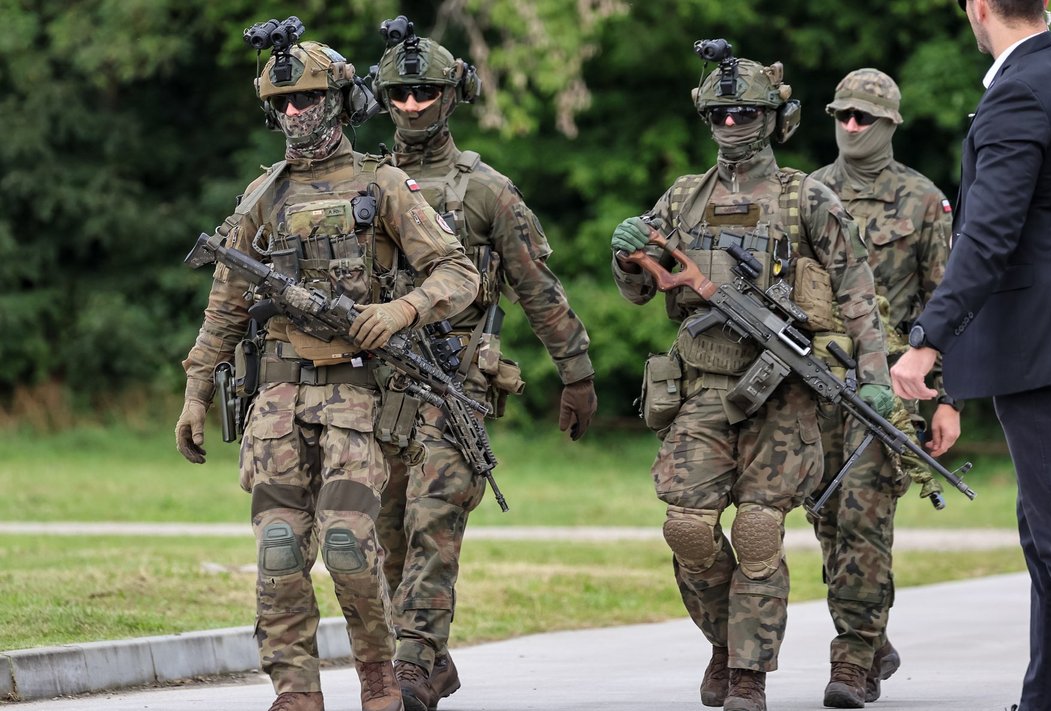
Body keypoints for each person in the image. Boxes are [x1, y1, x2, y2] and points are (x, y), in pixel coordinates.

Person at [174, 34, 480, 711]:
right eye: (282, 101)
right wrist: (197, 388)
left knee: (346, 542)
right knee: (280, 548)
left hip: (359, 394)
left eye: (308, 97)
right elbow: (224, 301)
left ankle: (377, 675)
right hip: (277, 395)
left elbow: (459, 273)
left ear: (339, 100)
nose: (295, 112)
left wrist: (401, 310)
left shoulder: (384, 185)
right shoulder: (264, 193)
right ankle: (295, 691)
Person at [610, 43, 892, 711]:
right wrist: (628, 258)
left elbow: (857, 291)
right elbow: (640, 292)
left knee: (760, 532)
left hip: (784, 394)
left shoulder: (807, 198)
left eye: (746, 111)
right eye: (721, 112)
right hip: (702, 388)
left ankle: (748, 677)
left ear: (772, 116)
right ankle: (724, 641)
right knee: (687, 528)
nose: (732, 123)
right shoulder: (684, 196)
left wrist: (874, 373)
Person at [890, 1, 1051, 709]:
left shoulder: (1017, 94)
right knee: (1045, 529)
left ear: (981, 9)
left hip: (1042, 339)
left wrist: (928, 339)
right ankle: (1045, 696)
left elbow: (987, 238)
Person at [369, 19, 597, 711]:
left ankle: (411, 667)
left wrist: (577, 370)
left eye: (426, 91)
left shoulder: (486, 191)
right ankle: (428, 659)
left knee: (433, 520)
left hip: (454, 379)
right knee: (382, 532)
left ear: (453, 95)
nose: (412, 105)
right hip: (376, 385)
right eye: (400, 93)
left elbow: (537, 286)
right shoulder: (364, 184)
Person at [808, 67, 959, 708]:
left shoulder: (923, 201)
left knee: (865, 517)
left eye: (862, 117)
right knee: (828, 517)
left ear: (889, 123)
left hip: (887, 384)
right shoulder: (809, 193)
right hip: (814, 381)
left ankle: (852, 662)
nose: (850, 126)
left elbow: (945, 302)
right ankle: (874, 635)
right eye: (842, 115)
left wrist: (947, 398)